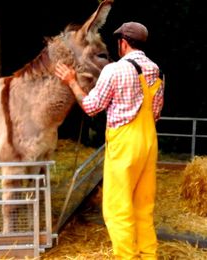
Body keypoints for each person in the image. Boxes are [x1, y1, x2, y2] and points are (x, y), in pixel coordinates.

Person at [55, 21, 164, 259]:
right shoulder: (157, 70)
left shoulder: (114, 70)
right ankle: (148, 254)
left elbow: (92, 107)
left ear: (122, 43)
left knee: (117, 208)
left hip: (124, 143)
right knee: (143, 206)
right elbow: (156, 112)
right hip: (148, 141)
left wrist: (72, 81)